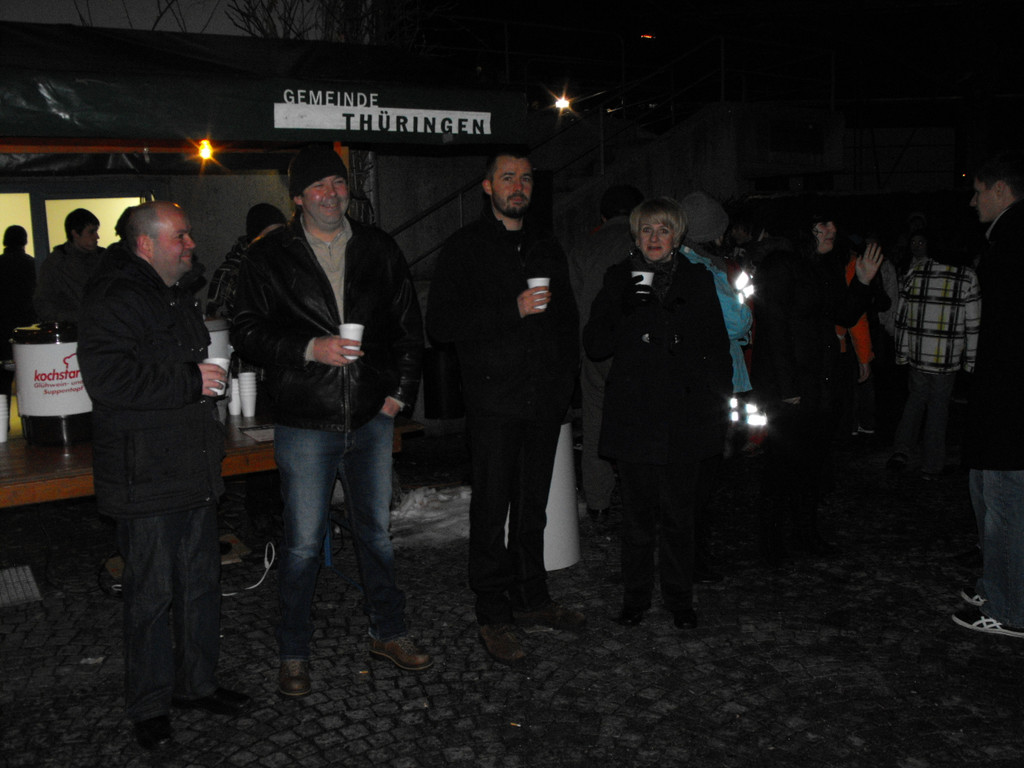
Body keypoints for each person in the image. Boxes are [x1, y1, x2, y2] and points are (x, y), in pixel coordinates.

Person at [231, 145, 430, 697]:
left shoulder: (378, 247)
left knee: (377, 536)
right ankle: (293, 652)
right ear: (297, 198)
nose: (331, 194)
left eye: (338, 183)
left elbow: (409, 328)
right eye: (318, 186)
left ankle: (388, 632)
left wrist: (397, 398)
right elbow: (245, 330)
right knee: (301, 544)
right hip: (304, 422)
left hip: (371, 418)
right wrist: (308, 348)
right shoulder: (269, 256)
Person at [77, 202, 249, 751]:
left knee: (200, 584)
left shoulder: (175, 295)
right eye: (180, 236)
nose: (191, 243)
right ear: (146, 244)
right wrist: (189, 380)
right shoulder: (116, 296)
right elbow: (107, 379)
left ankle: (196, 685)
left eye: (189, 234)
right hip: (145, 475)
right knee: (151, 596)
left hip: (190, 468)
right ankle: (149, 706)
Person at [426, 149, 583, 665]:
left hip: (542, 400)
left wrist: (563, 386)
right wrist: (509, 309)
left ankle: (531, 597)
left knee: (533, 506)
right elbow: (440, 325)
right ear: (488, 186)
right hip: (494, 401)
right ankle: (493, 611)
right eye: (508, 178)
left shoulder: (545, 244)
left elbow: (567, 322)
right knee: (492, 510)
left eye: (527, 179)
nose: (519, 187)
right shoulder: (465, 247)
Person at [583, 197, 732, 629]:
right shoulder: (618, 279)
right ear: (635, 235)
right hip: (636, 418)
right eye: (647, 229)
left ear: (677, 236)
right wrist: (623, 307)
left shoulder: (698, 279)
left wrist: (719, 405)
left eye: (663, 229)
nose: (654, 237)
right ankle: (635, 599)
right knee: (638, 519)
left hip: (685, 417)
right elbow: (595, 345)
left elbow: (717, 348)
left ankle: (679, 599)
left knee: (679, 517)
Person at [751, 215, 883, 565]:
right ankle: (772, 543)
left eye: (832, 225)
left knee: (812, 465)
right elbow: (774, 327)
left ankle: (806, 533)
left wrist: (863, 281)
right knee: (781, 467)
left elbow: (843, 314)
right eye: (821, 225)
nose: (831, 231)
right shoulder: (780, 265)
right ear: (803, 229)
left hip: (820, 382)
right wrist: (787, 387)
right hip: (791, 385)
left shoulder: (823, 266)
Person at [953, 151, 1024, 638]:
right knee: (990, 494)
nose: (973, 201)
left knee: (1005, 507)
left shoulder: (1013, 244)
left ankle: (1011, 608)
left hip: (1009, 404)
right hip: (1002, 399)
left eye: (978, 191)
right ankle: (997, 584)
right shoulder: (1007, 239)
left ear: (1001, 189)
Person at [679, 191, 753, 582]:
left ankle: (692, 552)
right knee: (706, 474)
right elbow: (738, 322)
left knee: (696, 474)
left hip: (695, 381)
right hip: (719, 380)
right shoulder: (705, 267)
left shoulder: (673, 261)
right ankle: (695, 557)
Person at [568, 184, 644, 529]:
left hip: (594, 349)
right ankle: (640, 500)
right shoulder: (642, 242)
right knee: (639, 423)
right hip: (635, 350)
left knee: (595, 423)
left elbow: (572, 304)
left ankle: (598, 503)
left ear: (602, 215)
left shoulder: (584, 247)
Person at [887, 231, 980, 479]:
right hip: (946, 359)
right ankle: (931, 465)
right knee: (938, 408)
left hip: (918, 355)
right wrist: (971, 362)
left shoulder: (916, 272)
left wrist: (902, 354)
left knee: (915, 401)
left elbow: (902, 317)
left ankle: (901, 452)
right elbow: (973, 324)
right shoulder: (967, 276)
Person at [205, 203, 286, 319]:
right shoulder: (232, 273)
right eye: (269, 237)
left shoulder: (287, 262)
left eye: (281, 234)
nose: (276, 242)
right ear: (255, 240)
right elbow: (216, 319)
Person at [34, 208, 103, 322]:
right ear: (75, 233)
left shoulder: (104, 258)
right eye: (91, 232)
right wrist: (73, 318)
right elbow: (43, 303)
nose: (97, 236)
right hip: (73, 327)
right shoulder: (56, 263)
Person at [1, 225, 36, 405]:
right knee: (29, 378)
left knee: (2, 384)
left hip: (2, 331)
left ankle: (2, 419)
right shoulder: (33, 264)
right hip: (27, 330)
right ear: (25, 241)